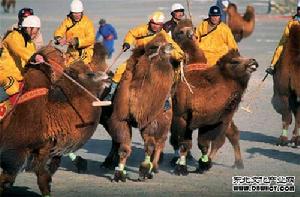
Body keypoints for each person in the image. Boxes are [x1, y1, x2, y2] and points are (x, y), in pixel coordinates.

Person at [104, 11, 184, 107]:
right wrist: (127, 42)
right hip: (138, 57)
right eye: (153, 23)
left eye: (157, 24)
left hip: (155, 61)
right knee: (120, 69)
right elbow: (131, 33)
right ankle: (111, 93)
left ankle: (165, 99)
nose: (155, 26)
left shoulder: (164, 36)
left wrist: (174, 54)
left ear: (161, 25)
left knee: (164, 76)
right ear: (150, 22)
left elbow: (177, 51)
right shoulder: (142, 29)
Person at [0, 15, 44, 119]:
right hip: (5, 74)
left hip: (20, 77)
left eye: (38, 30)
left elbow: (30, 60)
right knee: (11, 85)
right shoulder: (14, 36)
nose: (36, 33)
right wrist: (34, 57)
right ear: (28, 28)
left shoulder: (30, 44)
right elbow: (20, 50)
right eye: (35, 30)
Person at [54, 0, 95, 66]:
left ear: (82, 12)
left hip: (85, 52)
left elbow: (91, 39)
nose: (77, 15)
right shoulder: (67, 21)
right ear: (71, 13)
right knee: (65, 68)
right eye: (75, 13)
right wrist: (59, 38)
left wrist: (77, 41)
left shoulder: (87, 22)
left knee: (81, 69)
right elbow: (59, 31)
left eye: (79, 13)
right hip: (71, 52)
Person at [266, 2, 300, 75]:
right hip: (292, 42)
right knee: (280, 46)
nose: (299, 11)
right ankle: (272, 65)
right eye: (298, 9)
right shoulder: (292, 22)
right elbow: (286, 34)